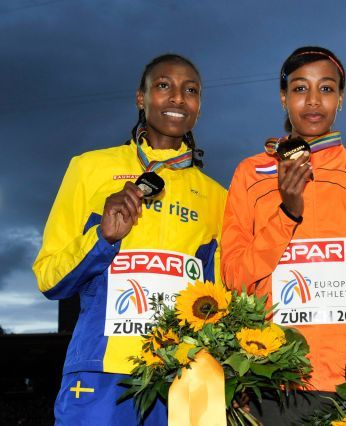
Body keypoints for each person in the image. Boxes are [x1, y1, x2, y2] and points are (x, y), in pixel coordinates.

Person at [221, 46, 346, 423]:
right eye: (299, 88)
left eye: (326, 89)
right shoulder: (251, 173)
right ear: (283, 96)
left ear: (340, 99)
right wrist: (287, 214)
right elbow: (233, 276)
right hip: (273, 377)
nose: (312, 101)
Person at [33, 54, 227, 425]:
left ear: (199, 107)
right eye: (163, 86)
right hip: (101, 370)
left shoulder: (218, 197)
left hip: (182, 378)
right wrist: (102, 237)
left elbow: (219, 295)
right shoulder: (89, 169)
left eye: (191, 91)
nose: (177, 98)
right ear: (141, 98)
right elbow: (49, 277)